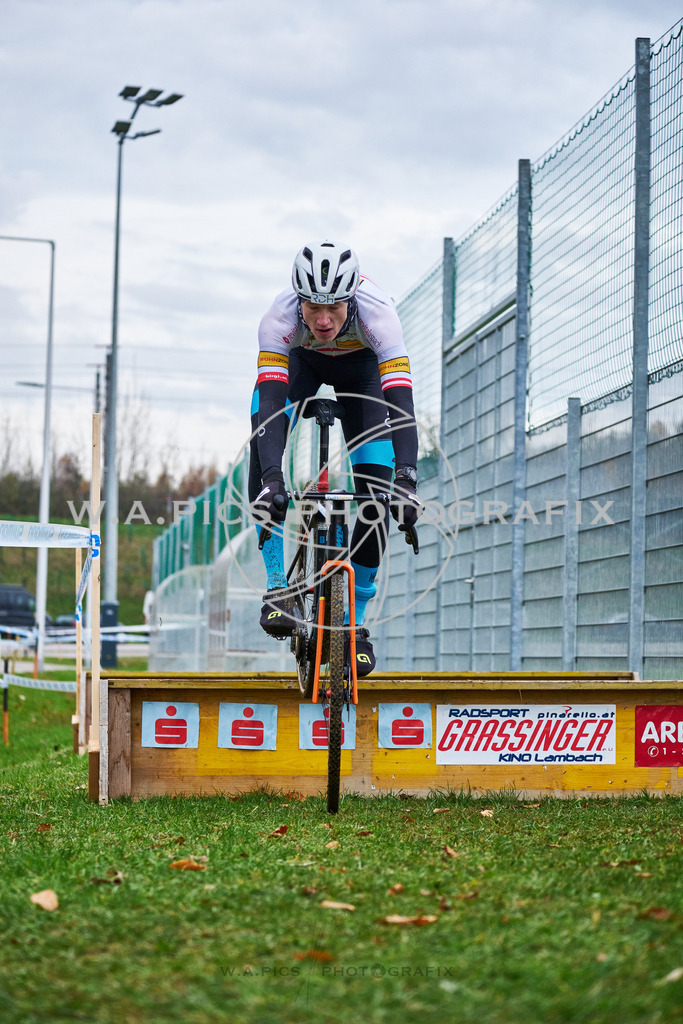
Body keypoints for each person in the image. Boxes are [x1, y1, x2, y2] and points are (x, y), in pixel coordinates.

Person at [248, 241, 421, 676]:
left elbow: (400, 402)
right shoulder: (280, 320)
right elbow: (270, 401)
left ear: (351, 300)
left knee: (379, 492)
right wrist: (272, 475)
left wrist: (407, 478)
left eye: (335, 309)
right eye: (313, 308)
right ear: (299, 301)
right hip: (301, 363)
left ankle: (354, 623)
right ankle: (277, 588)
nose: (323, 320)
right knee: (261, 448)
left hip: (360, 371)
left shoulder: (379, 315)